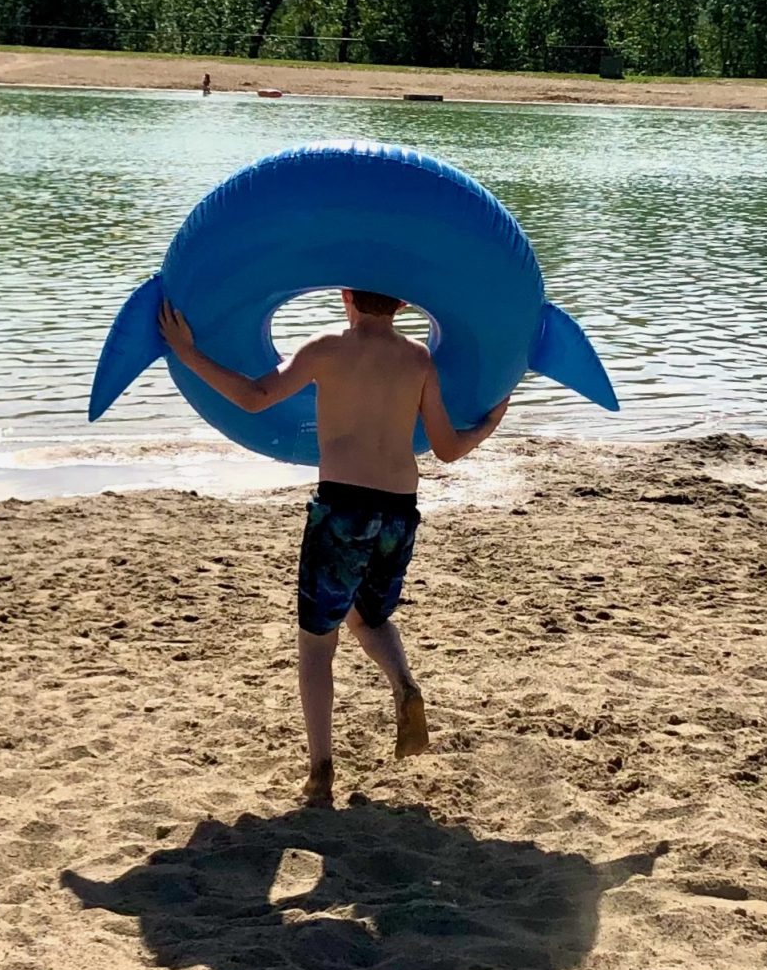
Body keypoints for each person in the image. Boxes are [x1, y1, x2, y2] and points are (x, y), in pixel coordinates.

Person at [158, 288, 508, 808]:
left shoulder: (326, 348)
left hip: (343, 509)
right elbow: (447, 449)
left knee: (317, 645)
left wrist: (188, 355)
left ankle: (321, 770)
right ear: (405, 305)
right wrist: (487, 425)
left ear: (344, 295)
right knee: (369, 616)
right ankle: (404, 685)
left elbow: (256, 398)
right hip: (398, 511)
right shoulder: (418, 359)